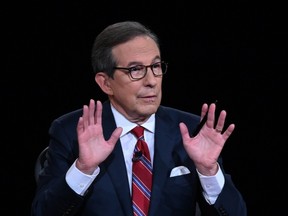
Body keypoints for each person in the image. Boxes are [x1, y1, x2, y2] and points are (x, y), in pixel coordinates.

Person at [31, 21, 247, 216]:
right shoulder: (71, 132)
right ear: (105, 83)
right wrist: (83, 169)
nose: (151, 81)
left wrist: (209, 171)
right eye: (135, 70)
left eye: (155, 66)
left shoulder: (190, 130)